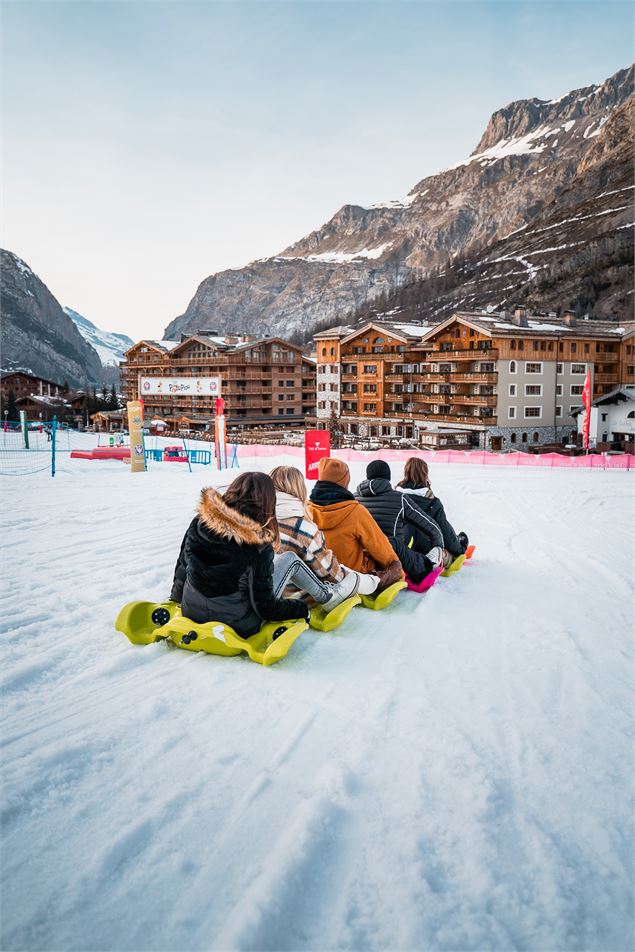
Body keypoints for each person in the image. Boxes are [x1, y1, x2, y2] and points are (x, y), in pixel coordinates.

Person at [169, 473, 356, 638]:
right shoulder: (258, 544)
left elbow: (183, 567)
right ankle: (327, 597)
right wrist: (300, 609)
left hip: (191, 611)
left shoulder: (199, 522)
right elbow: (265, 607)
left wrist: (176, 598)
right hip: (238, 623)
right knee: (290, 560)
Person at [270, 464, 380, 597]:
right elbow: (332, 574)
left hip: (258, 595)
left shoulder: (256, 520)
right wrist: (370, 582)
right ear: (299, 489)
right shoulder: (302, 528)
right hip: (296, 599)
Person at [308, 458, 403, 589]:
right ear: (344, 481)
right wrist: (396, 569)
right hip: (353, 577)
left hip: (318, 576)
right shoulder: (355, 512)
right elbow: (380, 547)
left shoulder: (306, 510)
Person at [355, 459, 448, 582]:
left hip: (362, 559)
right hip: (391, 560)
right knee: (402, 549)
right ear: (388, 477)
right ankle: (429, 563)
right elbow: (430, 525)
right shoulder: (399, 499)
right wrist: (438, 546)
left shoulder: (354, 499)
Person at [396, 457, 468, 557]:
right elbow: (444, 531)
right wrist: (459, 550)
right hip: (425, 552)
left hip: (397, 548)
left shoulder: (393, 498)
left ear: (406, 472)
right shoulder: (432, 503)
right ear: (424, 474)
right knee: (446, 553)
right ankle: (453, 547)